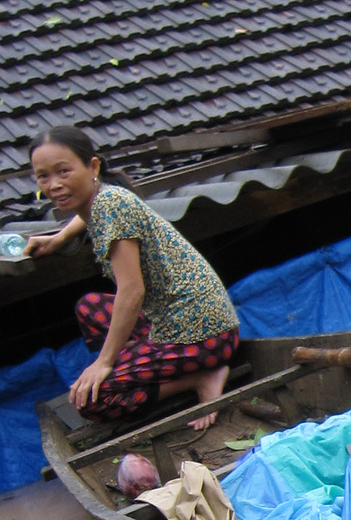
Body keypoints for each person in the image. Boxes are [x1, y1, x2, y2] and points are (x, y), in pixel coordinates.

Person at [24, 126, 240, 432]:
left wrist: (104, 362)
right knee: (89, 306)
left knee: (91, 401)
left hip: (202, 337)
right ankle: (144, 366)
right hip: (188, 321)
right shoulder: (104, 198)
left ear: (93, 167)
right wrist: (58, 239)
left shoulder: (111, 207)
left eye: (64, 171)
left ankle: (198, 377)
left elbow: (132, 291)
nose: (54, 185)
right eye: (43, 176)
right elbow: (84, 214)